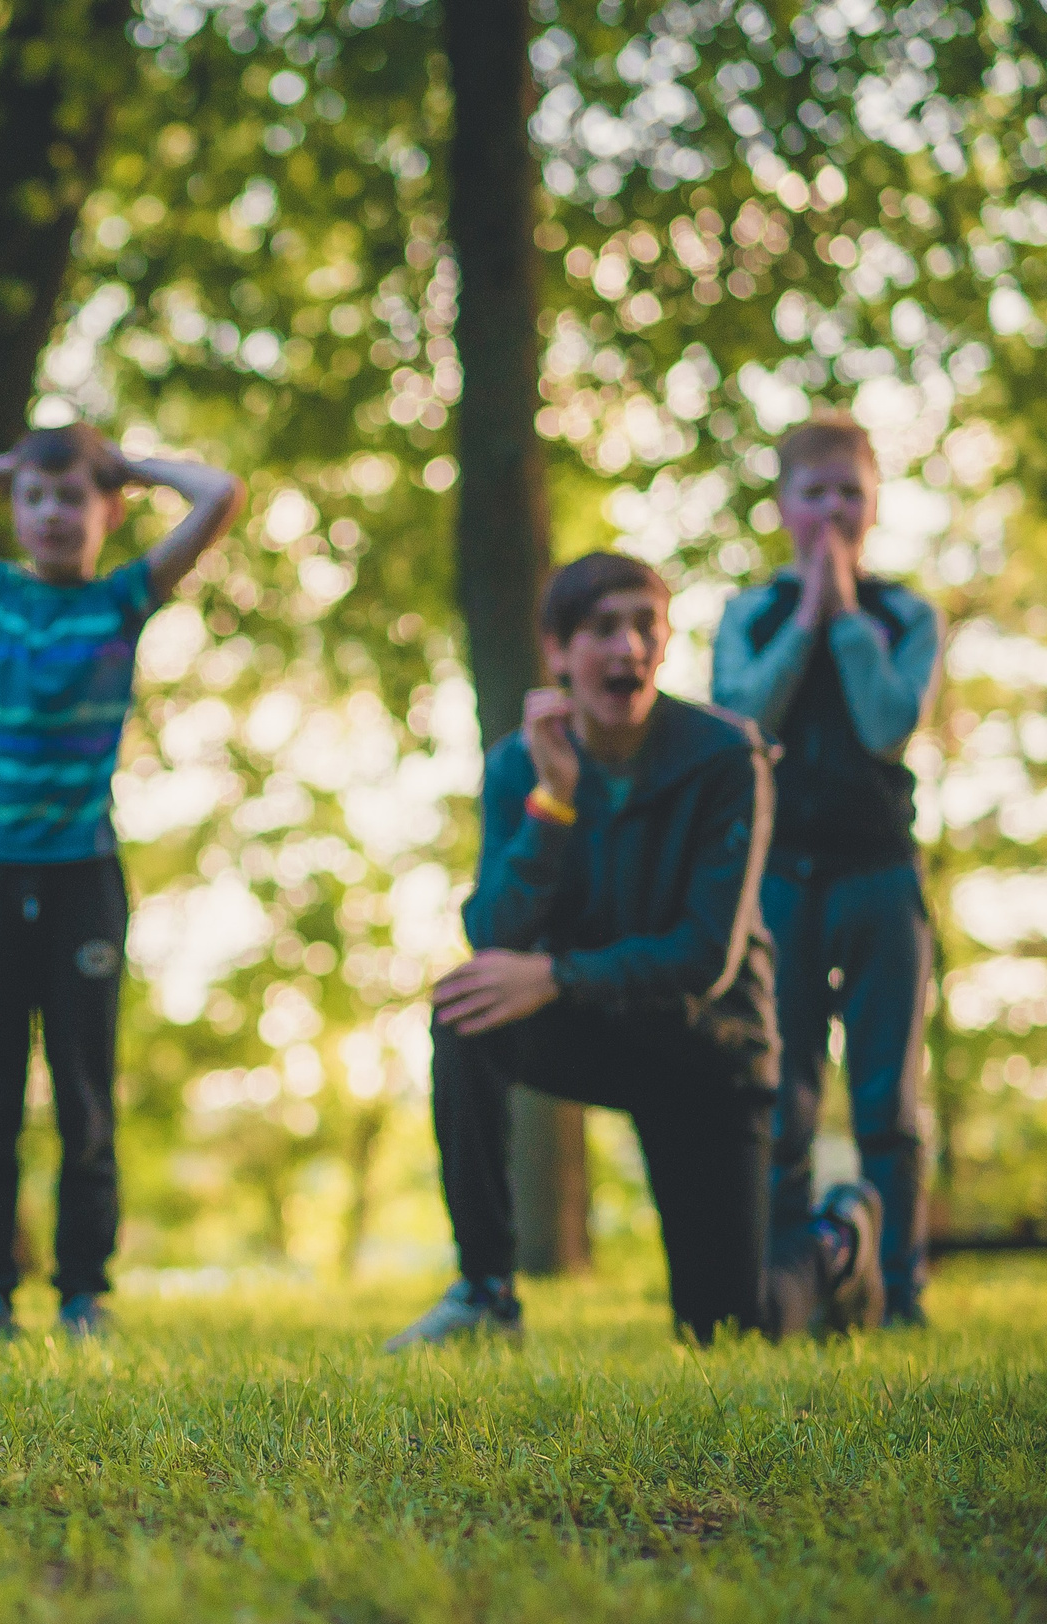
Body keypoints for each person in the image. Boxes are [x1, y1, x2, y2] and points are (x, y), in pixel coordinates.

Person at [386, 552, 882, 1352]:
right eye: (601, 628)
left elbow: (704, 956)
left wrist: (555, 974)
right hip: (598, 1024)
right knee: (464, 1009)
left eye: (643, 627)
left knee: (727, 1331)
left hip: (709, 1049)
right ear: (557, 650)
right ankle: (487, 1293)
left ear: (665, 643)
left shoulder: (730, 756)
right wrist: (553, 803)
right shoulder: (519, 763)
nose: (625, 648)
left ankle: (837, 1241)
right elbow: (494, 934)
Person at [0, 423, 246, 1340]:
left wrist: (128, 466)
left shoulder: (125, 598)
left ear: (107, 510)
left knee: (83, 1093)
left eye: (73, 496)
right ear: (14, 508)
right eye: (35, 498)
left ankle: (85, 1291)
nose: (51, 512)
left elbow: (221, 493)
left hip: (81, 875)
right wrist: (5, 463)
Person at [712, 415, 941, 1328]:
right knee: (785, 1093)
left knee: (889, 1095)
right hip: (781, 882)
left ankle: (900, 1291)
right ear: (784, 507)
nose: (834, 508)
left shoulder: (906, 616)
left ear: (876, 503)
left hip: (881, 875)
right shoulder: (752, 613)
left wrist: (847, 618)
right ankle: (789, 1282)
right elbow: (743, 720)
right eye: (816, 493)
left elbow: (889, 722)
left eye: (851, 491)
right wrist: (808, 614)